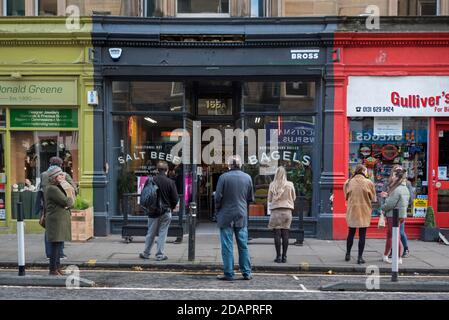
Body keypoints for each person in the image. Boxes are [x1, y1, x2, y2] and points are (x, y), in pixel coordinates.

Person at [215, 155, 254, 281]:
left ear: (229, 165)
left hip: (225, 215)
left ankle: (229, 273)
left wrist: (218, 209)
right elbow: (250, 198)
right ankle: (246, 272)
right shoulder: (247, 177)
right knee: (243, 245)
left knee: (227, 245)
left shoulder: (223, 177)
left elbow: (217, 198)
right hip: (241, 215)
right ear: (240, 165)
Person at [36, 156, 77, 260]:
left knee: (49, 230)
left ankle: (49, 254)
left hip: (47, 205)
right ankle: (60, 254)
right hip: (60, 204)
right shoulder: (63, 175)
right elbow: (74, 189)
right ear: (61, 165)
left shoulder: (44, 174)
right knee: (59, 230)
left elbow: (41, 189)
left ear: (50, 163)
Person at [139, 161, 179, 261]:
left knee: (150, 233)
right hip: (166, 211)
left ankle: (146, 253)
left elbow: (144, 195)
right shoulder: (170, 182)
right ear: (167, 170)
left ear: (157, 170)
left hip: (152, 211)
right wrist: (172, 207)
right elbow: (175, 199)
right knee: (163, 233)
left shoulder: (150, 180)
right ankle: (160, 255)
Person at [44, 166, 75, 275]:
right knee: (55, 245)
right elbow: (68, 202)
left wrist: (65, 186)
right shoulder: (52, 189)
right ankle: (53, 269)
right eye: (60, 175)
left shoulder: (56, 187)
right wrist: (68, 201)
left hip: (59, 220)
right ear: (54, 177)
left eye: (63, 174)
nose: (63, 176)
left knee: (58, 244)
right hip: (56, 220)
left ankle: (57, 267)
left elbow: (71, 194)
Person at [343, 164, 376, 264]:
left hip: (352, 210)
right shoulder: (369, 183)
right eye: (365, 170)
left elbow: (346, 196)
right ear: (362, 171)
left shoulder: (348, 182)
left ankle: (348, 254)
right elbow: (374, 199)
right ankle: (360, 257)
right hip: (364, 211)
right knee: (362, 235)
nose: (366, 172)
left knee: (351, 233)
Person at [381, 165, 413, 258]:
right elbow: (384, 197)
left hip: (398, 212)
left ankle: (405, 249)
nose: (397, 173)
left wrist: (400, 202)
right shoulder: (388, 183)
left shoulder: (407, 184)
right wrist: (386, 197)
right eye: (396, 171)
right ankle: (392, 252)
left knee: (399, 233)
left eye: (400, 171)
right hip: (391, 211)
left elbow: (410, 198)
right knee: (392, 233)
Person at [267, 166, 296, 263]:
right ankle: (285, 256)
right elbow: (294, 197)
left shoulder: (272, 185)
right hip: (287, 211)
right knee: (286, 233)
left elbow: (269, 199)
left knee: (277, 234)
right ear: (285, 174)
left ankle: (278, 256)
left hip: (276, 212)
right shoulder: (290, 184)